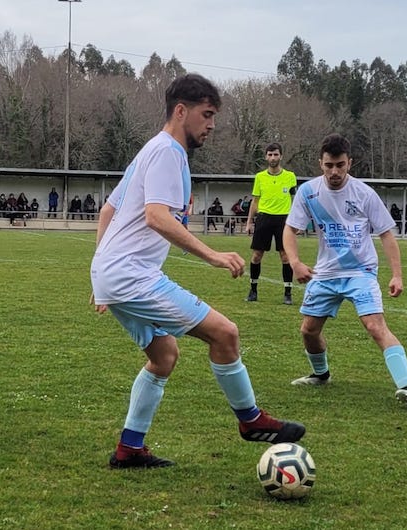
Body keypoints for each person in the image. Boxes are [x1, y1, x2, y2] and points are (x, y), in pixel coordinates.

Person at [91, 74, 305, 469]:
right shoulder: (168, 152)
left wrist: (98, 272)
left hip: (113, 273)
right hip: (131, 275)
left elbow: (110, 209)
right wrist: (212, 255)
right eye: (206, 115)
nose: (211, 125)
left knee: (163, 355)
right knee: (224, 333)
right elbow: (156, 217)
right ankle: (250, 419)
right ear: (180, 111)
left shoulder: (150, 151)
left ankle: (129, 449)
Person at [282, 133, 407, 410]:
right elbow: (290, 229)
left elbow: (386, 234)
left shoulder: (364, 193)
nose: (334, 172)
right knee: (309, 331)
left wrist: (397, 275)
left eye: (340, 165)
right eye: (328, 166)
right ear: (320, 163)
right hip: (325, 274)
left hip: (360, 273)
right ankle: (321, 375)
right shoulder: (308, 192)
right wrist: (295, 262)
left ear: (350, 163)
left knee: (375, 326)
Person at [245, 143, 297, 304]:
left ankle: (287, 293)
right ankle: (253, 290)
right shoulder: (260, 177)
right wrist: (249, 222)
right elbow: (255, 201)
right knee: (256, 255)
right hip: (264, 218)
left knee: (285, 256)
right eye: (270, 154)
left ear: (281, 156)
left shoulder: (290, 176)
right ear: (266, 156)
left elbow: (295, 200)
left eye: (275, 154)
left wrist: (297, 221)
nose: (273, 157)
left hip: (283, 219)